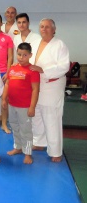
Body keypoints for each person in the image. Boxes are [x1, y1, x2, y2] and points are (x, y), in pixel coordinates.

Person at [29, 18, 70, 162]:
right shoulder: (35, 43)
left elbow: (64, 66)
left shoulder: (59, 45)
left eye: (47, 27)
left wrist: (43, 70)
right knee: (37, 115)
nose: (44, 29)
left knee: (52, 118)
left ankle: (55, 151)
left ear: (54, 29)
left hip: (52, 85)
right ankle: (39, 142)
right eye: (41, 27)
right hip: (36, 86)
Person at [2, 42, 40, 164]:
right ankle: (18, 147)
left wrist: (32, 107)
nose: (21, 57)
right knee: (14, 126)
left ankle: (27, 152)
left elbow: (35, 89)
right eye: (19, 54)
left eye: (24, 55)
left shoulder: (33, 70)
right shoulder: (12, 68)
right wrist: (4, 98)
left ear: (30, 55)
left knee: (26, 130)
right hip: (12, 104)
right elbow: (7, 84)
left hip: (25, 107)